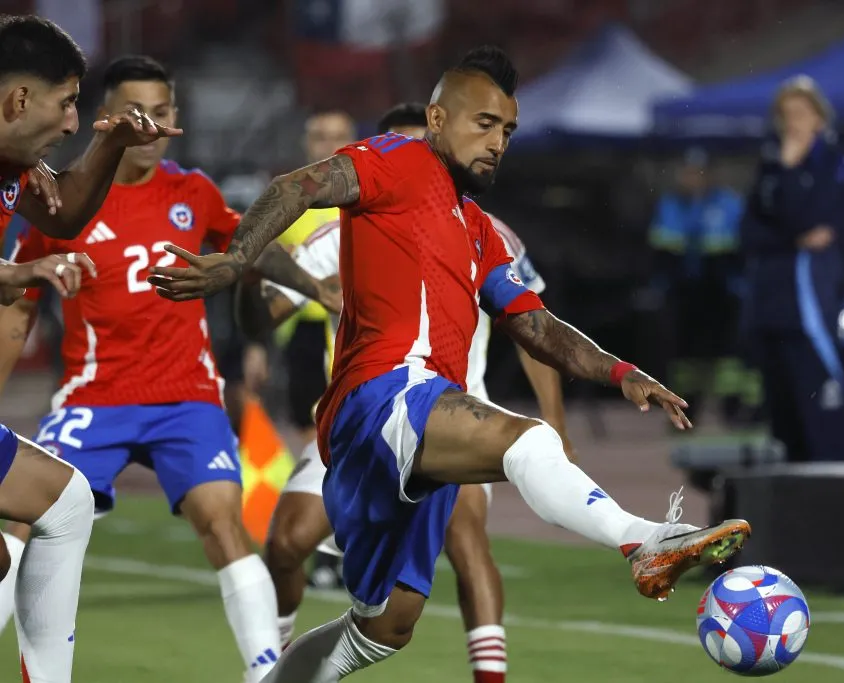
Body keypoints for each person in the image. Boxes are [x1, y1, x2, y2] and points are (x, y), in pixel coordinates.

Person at [149, 46, 751, 681]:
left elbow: (535, 325)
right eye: (484, 123)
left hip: (415, 428)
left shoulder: (480, 230)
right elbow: (296, 187)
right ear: (437, 119)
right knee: (528, 441)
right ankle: (644, 541)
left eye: (508, 130)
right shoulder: (397, 160)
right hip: (381, 397)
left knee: (385, 627)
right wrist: (238, 259)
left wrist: (620, 371)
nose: (497, 142)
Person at [0, 55, 326, 682]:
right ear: (105, 118)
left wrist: (317, 287)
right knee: (23, 517)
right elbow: (16, 308)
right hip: (94, 396)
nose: (151, 127)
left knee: (224, 521)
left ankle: (266, 673)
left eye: (163, 112)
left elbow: (247, 248)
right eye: (137, 112)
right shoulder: (60, 199)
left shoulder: (193, 191)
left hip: (186, 397)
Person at [237, 101, 574, 683]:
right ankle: (272, 666)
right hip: (360, 422)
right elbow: (264, 313)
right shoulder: (338, 234)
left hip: (457, 418)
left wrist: (555, 423)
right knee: (288, 541)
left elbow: (531, 329)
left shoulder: (488, 232)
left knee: (467, 541)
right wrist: (256, 275)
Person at [0, 16, 183, 683]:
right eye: (68, 102)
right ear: (20, 100)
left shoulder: (14, 165)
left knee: (65, 502)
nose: (75, 121)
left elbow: (67, 214)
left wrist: (113, 145)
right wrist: (18, 272)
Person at [740, 75, 844, 463]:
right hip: (770, 305)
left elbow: (811, 219)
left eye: (801, 113)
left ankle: (835, 478)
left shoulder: (837, 163)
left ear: (819, 118)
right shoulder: (770, 166)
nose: (792, 123)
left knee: (820, 408)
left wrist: (791, 173)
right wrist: (791, 238)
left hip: (809, 308)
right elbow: (749, 232)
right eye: (786, 114)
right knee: (782, 413)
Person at [647, 147, 746, 422]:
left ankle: (733, 410)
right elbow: (661, 251)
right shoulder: (671, 205)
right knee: (684, 356)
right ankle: (686, 408)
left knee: (728, 355)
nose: (693, 177)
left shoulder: (728, 203)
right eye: (688, 171)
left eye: (699, 172)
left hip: (723, 292)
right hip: (684, 293)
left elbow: (738, 249)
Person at [276, 110, 357, 448]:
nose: (330, 146)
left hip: (357, 329)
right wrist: (252, 347)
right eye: (321, 138)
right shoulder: (285, 200)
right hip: (303, 331)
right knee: (312, 435)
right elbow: (257, 269)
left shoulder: (370, 198)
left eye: (339, 137)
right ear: (306, 144)